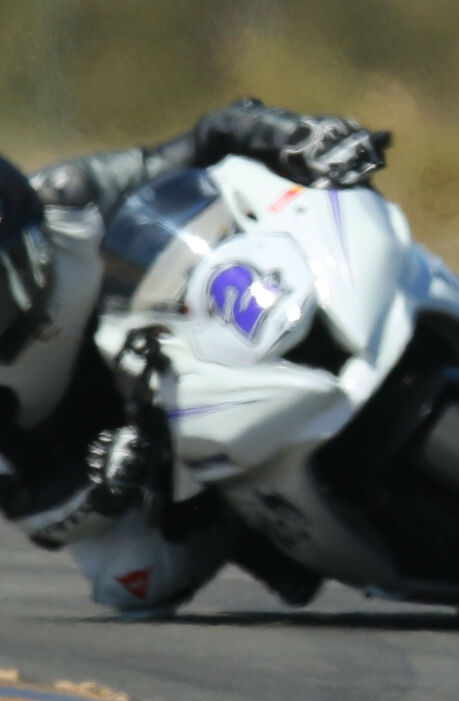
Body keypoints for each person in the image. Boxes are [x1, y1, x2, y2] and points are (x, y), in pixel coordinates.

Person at [0, 99, 386, 614]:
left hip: (187, 325)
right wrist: (100, 489)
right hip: (126, 448)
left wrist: (300, 137)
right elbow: (32, 508)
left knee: (306, 194)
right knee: (129, 581)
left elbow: (212, 137)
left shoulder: (72, 198)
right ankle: (245, 533)